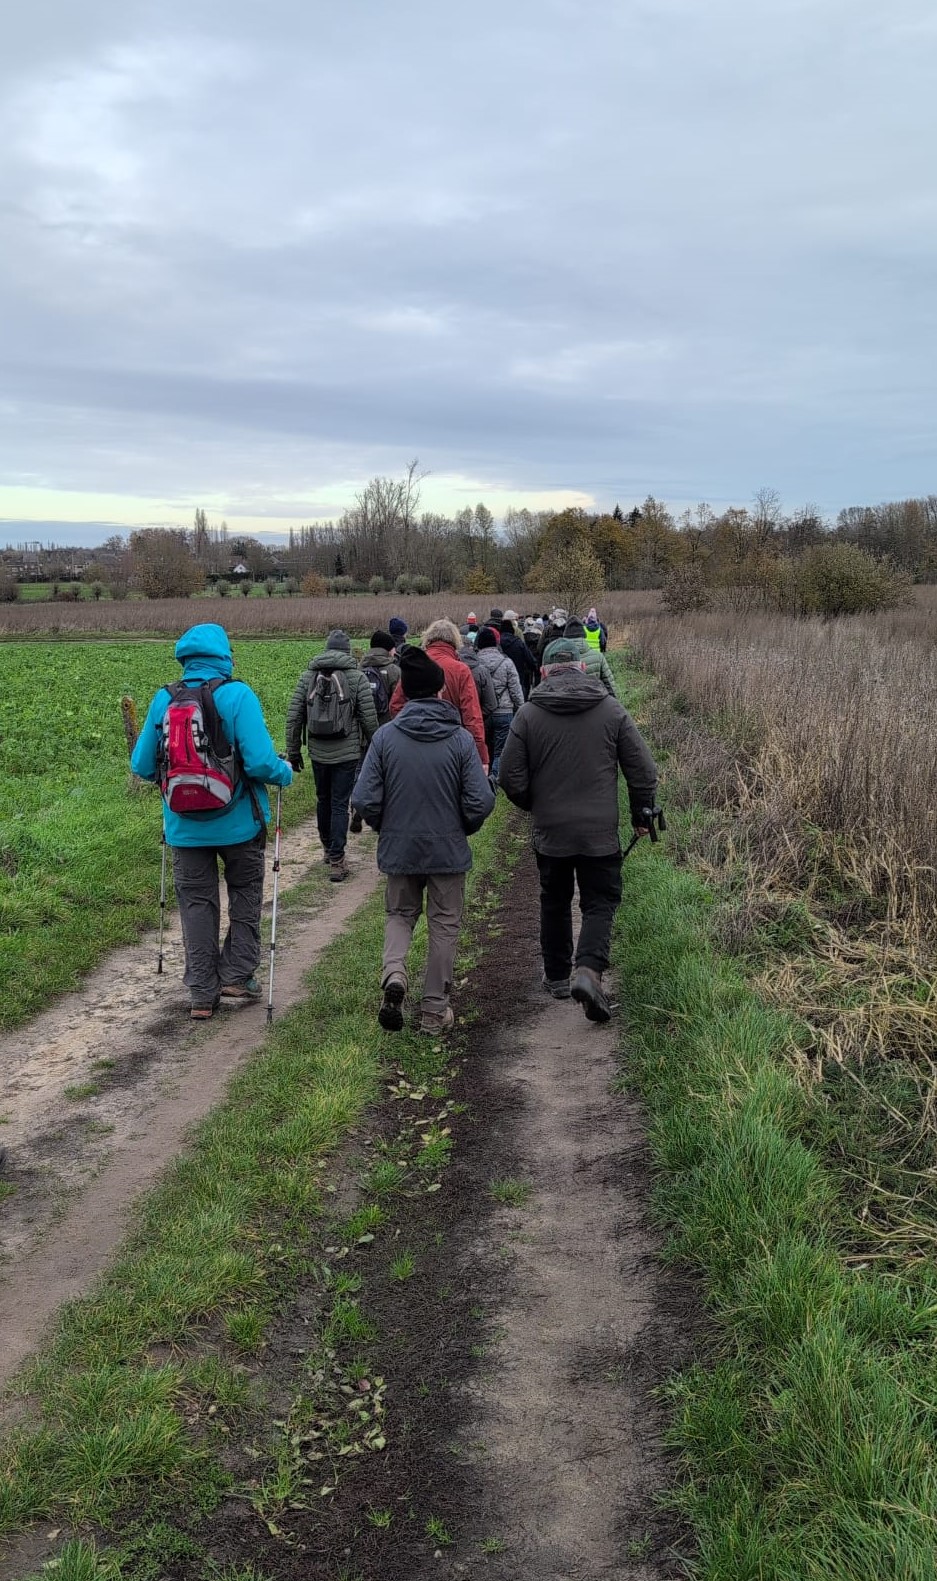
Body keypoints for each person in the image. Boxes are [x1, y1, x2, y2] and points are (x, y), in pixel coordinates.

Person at [131, 622, 292, 1019]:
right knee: (245, 895)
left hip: (184, 828)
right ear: (224, 656)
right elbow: (260, 763)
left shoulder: (163, 698)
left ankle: (202, 993)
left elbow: (142, 765)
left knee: (196, 905)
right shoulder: (237, 695)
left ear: (185, 658)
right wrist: (285, 772)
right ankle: (236, 974)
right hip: (240, 824)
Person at [499, 638, 658, 1024]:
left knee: (554, 899)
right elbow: (643, 770)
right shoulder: (611, 709)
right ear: (583, 668)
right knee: (600, 901)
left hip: (551, 830)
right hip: (599, 831)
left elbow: (509, 777)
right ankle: (588, 970)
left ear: (543, 671)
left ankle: (556, 976)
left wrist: (535, 805)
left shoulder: (528, 715)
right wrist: (641, 813)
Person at [352, 645, 496, 1035]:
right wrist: (463, 827)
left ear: (405, 692)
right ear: (439, 691)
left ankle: (395, 974)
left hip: (400, 848)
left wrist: (386, 825)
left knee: (400, 915)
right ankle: (434, 1012)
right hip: (448, 850)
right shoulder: (460, 740)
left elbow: (364, 798)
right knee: (444, 925)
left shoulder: (385, 738)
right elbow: (481, 800)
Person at [285, 629, 378, 881]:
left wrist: (294, 752)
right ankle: (338, 859)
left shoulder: (308, 676)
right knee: (340, 803)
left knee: (323, 799)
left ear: (326, 649)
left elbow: (294, 717)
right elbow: (369, 719)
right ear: (347, 652)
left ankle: (327, 849)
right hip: (347, 752)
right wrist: (378, 748)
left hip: (317, 751)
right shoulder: (357, 677)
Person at [388, 619, 489, 769]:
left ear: (428, 638)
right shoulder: (461, 670)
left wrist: (412, 731)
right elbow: (472, 716)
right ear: (455, 641)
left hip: (415, 747)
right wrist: (481, 755)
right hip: (453, 746)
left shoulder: (416, 665)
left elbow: (395, 706)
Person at [349, 631, 401, 834]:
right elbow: (398, 704)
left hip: (362, 730)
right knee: (386, 771)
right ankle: (382, 813)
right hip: (387, 730)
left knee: (361, 769)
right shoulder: (395, 671)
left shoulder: (359, 669)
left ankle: (356, 805)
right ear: (389, 649)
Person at [474, 626, 523, 779]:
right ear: (496, 644)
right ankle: (495, 778)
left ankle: (484, 775)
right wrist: (520, 708)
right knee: (500, 750)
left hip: (483, 713)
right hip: (504, 712)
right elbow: (515, 690)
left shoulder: (475, 664)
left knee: (485, 747)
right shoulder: (507, 663)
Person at [458, 631, 498, 741]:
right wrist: (477, 715)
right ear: (471, 648)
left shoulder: (446, 669)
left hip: (453, 727)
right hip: (478, 724)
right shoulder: (481, 670)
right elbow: (491, 704)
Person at [563, 618, 618, 697]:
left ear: (565, 637)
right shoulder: (598, 657)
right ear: (584, 635)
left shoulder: (557, 659)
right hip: (595, 701)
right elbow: (610, 685)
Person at [499, 617, 539, 700]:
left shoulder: (497, 643)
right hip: (518, 677)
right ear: (512, 630)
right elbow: (530, 659)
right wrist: (535, 669)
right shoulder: (518, 643)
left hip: (500, 681)